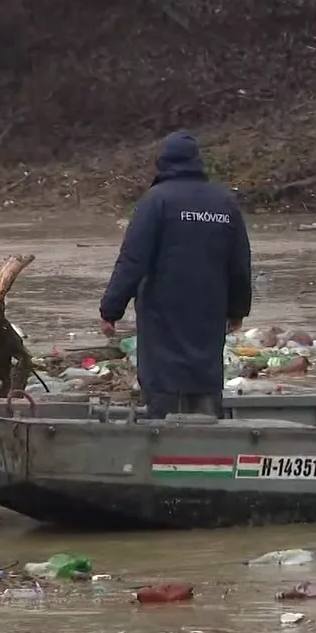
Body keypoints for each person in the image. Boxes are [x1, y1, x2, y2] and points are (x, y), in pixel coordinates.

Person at [99, 131, 252, 421]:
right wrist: (237, 309)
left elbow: (133, 260)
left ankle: (164, 448)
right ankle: (210, 447)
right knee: (205, 378)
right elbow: (240, 262)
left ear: (163, 162)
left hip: (163, 315)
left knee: (164, 385)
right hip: (209, 312)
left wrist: (111, 309)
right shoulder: (224, 203)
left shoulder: (156, 202)